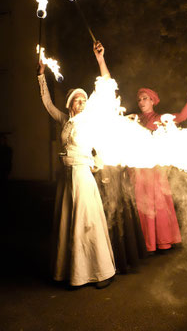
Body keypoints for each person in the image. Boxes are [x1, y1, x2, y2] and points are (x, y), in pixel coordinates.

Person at [37, 43, 116, 289]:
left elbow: (105, 87)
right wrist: (41, 75)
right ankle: (70, 272)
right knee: (66, 223)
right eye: (78, 100)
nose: (82, 102)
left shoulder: (88, 118)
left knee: (87, 221)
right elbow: (47, 103)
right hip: (66, 175)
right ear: (71, 103)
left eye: (84, 100)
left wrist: (101, 60)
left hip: (82, 174)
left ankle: (100, 272)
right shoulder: (65, 120)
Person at [127, 83, 187, 253]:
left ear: (153, 101)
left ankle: (162, 241)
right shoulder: (134, 118)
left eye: (145, 98)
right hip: (137, 169)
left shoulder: (159, 119)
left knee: (157, 204)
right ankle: (146, 244)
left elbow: (182, 117)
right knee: (141, 206)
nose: (141, 102)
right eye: (139, 99)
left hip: (154, 170)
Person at [93, 42, 147, 273]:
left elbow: (107, 82)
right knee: (107, 213)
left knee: (122, 211)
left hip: (118, 172)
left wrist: (100, 59)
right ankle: (107, 261)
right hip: (102, 172)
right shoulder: (93, 120)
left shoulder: (116, 116)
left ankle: (126, 258)